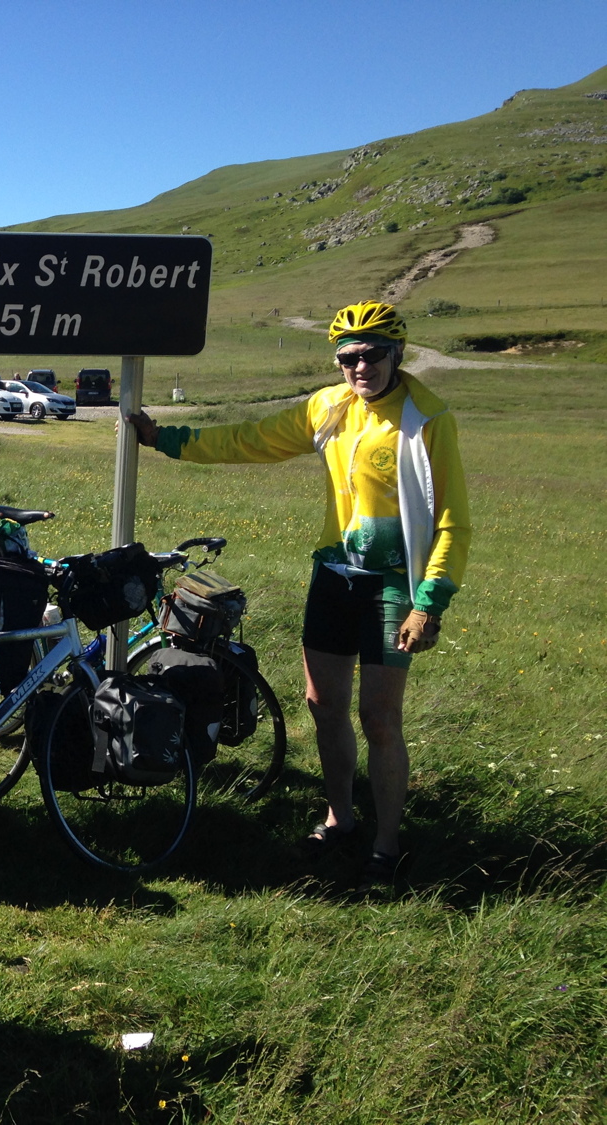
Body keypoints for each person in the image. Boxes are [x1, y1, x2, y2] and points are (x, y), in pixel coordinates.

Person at [127, 301, 470, 889]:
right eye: (347, 358)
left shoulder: (426, 419)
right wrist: (168, 439)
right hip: (334, 575)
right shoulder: (328, 408)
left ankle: (387, 845)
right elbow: (252, 439)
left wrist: (428, 602)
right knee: (322, 704)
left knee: (379, 717)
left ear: (397, 353)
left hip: (393, 583)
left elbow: (452, 521)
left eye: (372, 355)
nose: (359, 367)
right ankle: (340, 819)